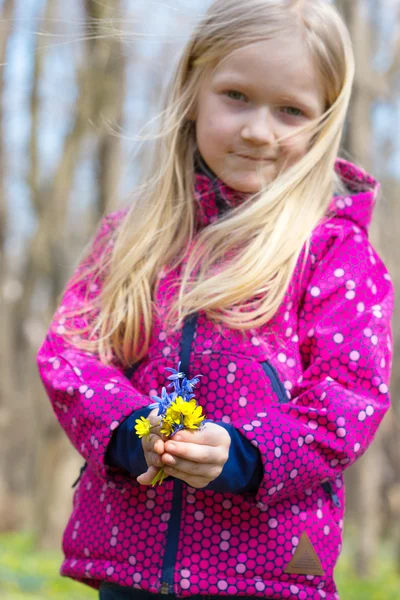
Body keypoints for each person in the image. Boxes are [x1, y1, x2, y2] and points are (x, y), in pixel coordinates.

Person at [37, 1, 395, 599]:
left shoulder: (333, 250)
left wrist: (247, 454)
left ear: (323, 121)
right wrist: (131, 432)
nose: (259, 129)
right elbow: (71, 356)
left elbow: (349, 395)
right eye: (236, 96)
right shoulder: (135, 236)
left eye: (290, 110)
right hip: (134, 561)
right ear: (193, 91)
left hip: (269, 567)